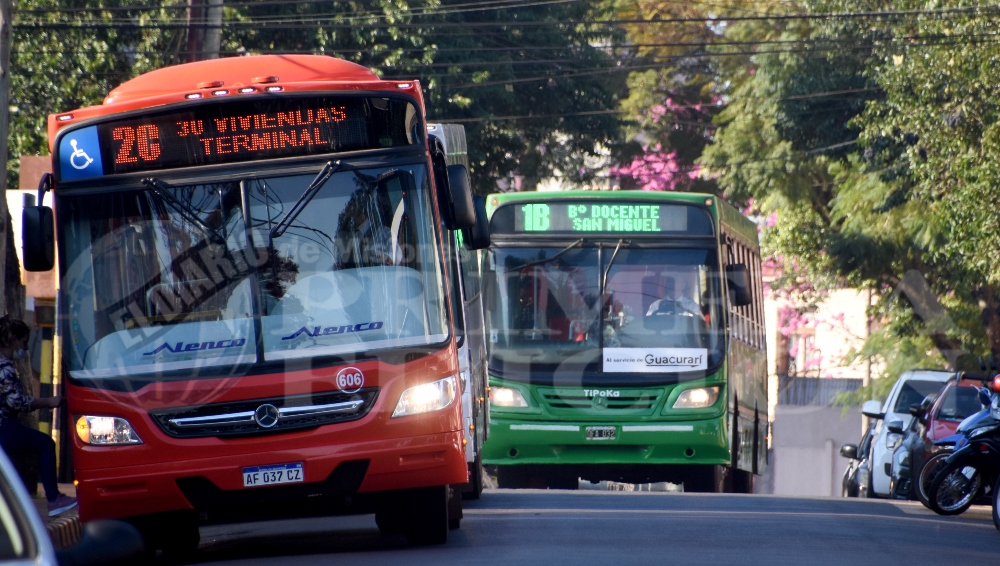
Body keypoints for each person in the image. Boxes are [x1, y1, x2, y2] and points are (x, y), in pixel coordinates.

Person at [0, 316, 77, 516]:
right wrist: (47, 402)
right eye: (24, 343)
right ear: (12, 340)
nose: (25, 349)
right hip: (3, 425)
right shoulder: (4, 367)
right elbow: (16, 402)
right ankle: (54, 499)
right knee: (45, 443)